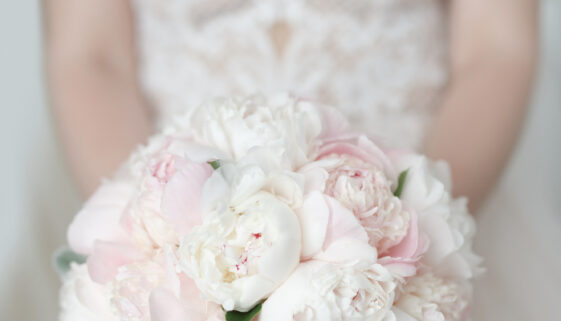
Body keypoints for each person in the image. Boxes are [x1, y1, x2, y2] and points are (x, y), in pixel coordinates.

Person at [45, 0, 538, 318]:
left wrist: (414, 233)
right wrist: (154, 242)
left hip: (417, 209)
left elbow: (495, 47)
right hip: (175, 214)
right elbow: (92, 57)